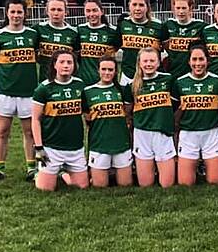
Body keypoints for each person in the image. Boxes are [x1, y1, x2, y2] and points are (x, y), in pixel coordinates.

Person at [0, 0, 39, 182]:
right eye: (12, 11)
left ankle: (31, 168)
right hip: (4, 93)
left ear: (25, 14)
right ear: (6, 13)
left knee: (29, 132)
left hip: (28, 92)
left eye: (19, 12)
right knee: (2, 131)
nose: (16, 15)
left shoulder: (32, 34)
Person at [31, 49, 88, 191]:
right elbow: (35, 119)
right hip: (52, 148)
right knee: (45, 189)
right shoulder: (43, 89)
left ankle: (62, 173)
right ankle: (42, 171)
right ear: (54, 65)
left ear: (74, 66)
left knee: (82, 186)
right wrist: (39, 148)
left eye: (70, 62)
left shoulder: (80, 85)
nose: (66, 65)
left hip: (75, 147)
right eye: (61, 62)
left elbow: (87, 114)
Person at [173, 44, 218, 186]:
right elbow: (173, 111)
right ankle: (195, 166)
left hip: (211, 133)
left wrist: (215, 110)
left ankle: (209, 166)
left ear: (207, 61)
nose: (198, 64)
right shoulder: (180, 82)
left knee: (215, 181)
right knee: (185, 183)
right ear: (189, 62)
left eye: (201, 59)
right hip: (188, 134)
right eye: (194, 60)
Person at [128, 47, 177, 188]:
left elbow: (175, 103)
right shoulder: (132, 85)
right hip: (142, 134)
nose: (148, 64)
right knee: (145, 184)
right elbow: (128, 111)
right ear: (139, 63)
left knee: (166, 184)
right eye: (145, 61)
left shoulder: (168, 79)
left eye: (152, 60)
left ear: (158, 63)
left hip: (162, 133)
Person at [81, 56, 133, 187]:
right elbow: (88, 120)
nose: (107, 73)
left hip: (121, 143)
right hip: (99, 144)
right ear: (98, 70)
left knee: (125, 184)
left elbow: (127, 114)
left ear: (116, 72)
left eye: (110, 70)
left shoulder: (122, 90)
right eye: (103, 69)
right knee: (100, 186)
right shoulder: (88, 92)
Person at [117, 0, 166, 86]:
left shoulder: (159, 26)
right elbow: (113, 49)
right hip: (128, 76)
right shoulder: (123, 25)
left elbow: (167, 52)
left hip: (151, 78)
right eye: (134, 4)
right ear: (129, 5)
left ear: (147, 7)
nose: (137, 8)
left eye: (141, 5)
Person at [164, 0, 207, 79]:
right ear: (173, 8)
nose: (181, 11)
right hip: (172, 75)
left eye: (184, 8)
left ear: (190, 8)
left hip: (192, 77)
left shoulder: (201, 26)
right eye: (178, 8)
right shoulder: (168, 25)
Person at [34, 0, 79, 82]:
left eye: (59, 10)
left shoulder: (74, 32)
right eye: (53, 9)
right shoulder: (38, 29)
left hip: (67, 81)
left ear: (66, 12)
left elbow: (77, 57)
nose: (56, 13)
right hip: (45, 81)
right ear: (47, 11)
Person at [77, 0, 120, 86]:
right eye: (88, 11)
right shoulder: (79, 30)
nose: (91, 14)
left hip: (105, 82)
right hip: (84, 82)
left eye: (94, 10)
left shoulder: (113, 31)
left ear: (102, 11)